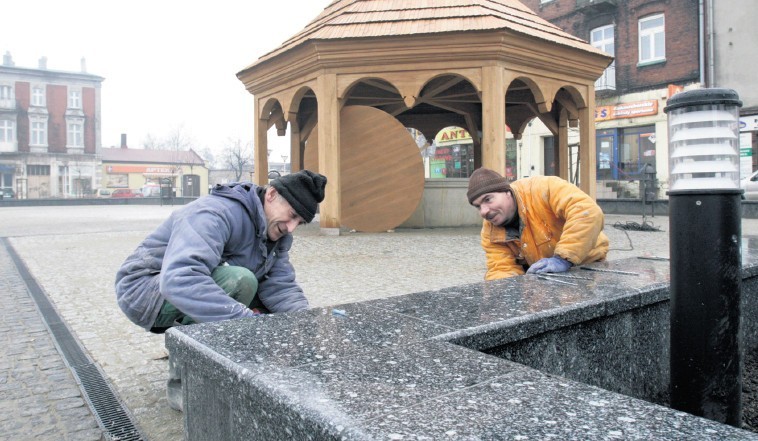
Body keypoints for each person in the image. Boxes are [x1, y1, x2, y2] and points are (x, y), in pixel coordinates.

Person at [115, 169, 327, 410]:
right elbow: (180, 279)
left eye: (299, 221)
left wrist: (306, 324)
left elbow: (280, 286)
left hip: (188, 285)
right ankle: (184, 384)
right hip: (145, 291)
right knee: (242, 282)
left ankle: (228, 368)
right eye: (291, 216)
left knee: (268, 313)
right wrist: (248, 324)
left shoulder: (276, 233)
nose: (291, 227)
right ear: (271, 194)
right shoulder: (215, 213)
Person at [466, 167, 608, 280]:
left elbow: (587, 212)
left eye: (488, 199)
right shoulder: (489, 231)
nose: (484, 211)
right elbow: (501, 269)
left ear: (507, 192)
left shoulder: (544, 188)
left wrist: (563, 258)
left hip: (586, 264)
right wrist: (504, 294)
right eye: (478, 206)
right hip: (541, 278)